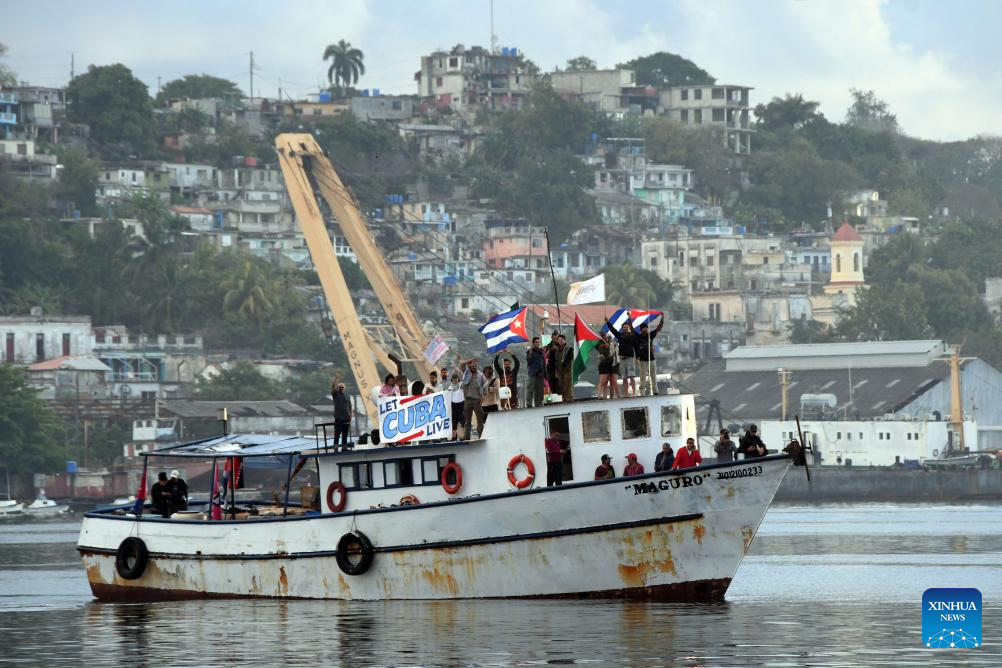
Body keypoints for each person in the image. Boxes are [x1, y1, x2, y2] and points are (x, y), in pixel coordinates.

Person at [606, 320, 637, 397]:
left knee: (632, 376)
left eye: (627, 327)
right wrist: (608, 322)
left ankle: (634, 393)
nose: (625, 328)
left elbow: (636, 347)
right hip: (622, 359)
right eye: (624, 327)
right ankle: (626, 393)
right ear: (622, 328)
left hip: (630, 358)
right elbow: (613, 330)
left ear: (629, 328)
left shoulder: (632, 336)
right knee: (624, 377)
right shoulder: (620, 335)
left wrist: (638, 357)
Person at [636, 319, 664, 396]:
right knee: (643, 377)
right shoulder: (638, 336)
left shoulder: (650, 335)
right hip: (643, 360)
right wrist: (629, 320)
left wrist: (662, 319)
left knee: (653, 376)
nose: (645, 329)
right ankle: (642, 392)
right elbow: (632, 331)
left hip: (651, 359)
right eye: (644, 328)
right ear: (641, 329)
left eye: (646, 328)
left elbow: (659, 328)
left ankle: (655, 391)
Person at [461, 358, 488, 439]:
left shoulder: (480, 375)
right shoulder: (466, 373)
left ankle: (481, 437)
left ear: (476, 366)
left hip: (477, 400)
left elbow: (485, 385)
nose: (472, 367)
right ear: (468, 367)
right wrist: (470, 360)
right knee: (467, 421)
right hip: (467, 400)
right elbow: (462, 364)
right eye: (471, 366)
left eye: (474, 366)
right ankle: (466, 438)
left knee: (480, 420)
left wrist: (483, 396)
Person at [526, 337, 546, 407]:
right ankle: (529, 404)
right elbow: (529, 362)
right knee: (530, 389)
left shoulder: (541, 351)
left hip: (540, 373)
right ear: (533, 343)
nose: (538, 343)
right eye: (536, 342)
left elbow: (543, 362)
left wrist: (545, 373)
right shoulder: (530, 351)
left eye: (538, 342)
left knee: (540, 390)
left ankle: (538, 403)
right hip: (533, 373)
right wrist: (530, 354)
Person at [332, 382, 353, 450]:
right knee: (337, 434)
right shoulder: (335, 394)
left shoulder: (347, 395)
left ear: (344, 388)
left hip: (346, 418)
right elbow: (333, 387)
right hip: (338, 418)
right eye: (340, 387)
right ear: (338, 388)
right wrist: (335, 379)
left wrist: (351, 415)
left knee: (345, 434)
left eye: (342, 387)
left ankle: (344, 447)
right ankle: (335, 447)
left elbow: (350, 406)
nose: (341, 388)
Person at [557, 334, 574, 403]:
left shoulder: (569, 349)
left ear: (564, 340)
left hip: (567, 369)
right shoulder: (558, 350)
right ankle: (564, 398)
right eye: (559, 340)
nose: (560, 341)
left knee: (568, 384)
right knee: (561, 385)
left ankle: (569, 398)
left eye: (561, 340)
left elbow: (571, 358)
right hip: (559, 370)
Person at [448, 372, 464, 440]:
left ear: (458, 379)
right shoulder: (450, 387)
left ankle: (464, 437)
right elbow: (447, 396)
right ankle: (454, 438)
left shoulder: (461, 385)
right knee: (454, 423)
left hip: (461, 405)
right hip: (454, 406)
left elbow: (464, 377)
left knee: (463, 422)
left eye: (456, 379)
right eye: (453, 379)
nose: (455, 380)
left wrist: (458, 371)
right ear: (451, 380)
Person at [545, 330, 561, 398]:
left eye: (557, 338)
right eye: (554, 338)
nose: (556, 340)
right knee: (551, 384)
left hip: (559, 368)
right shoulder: (549, 345)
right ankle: (554, 397)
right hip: (551, 368)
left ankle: (560, 397)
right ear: (551, 338)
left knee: (559, 385)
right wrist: (550, 350)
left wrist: (557, 349)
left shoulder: (560, 345)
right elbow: (545, 356)